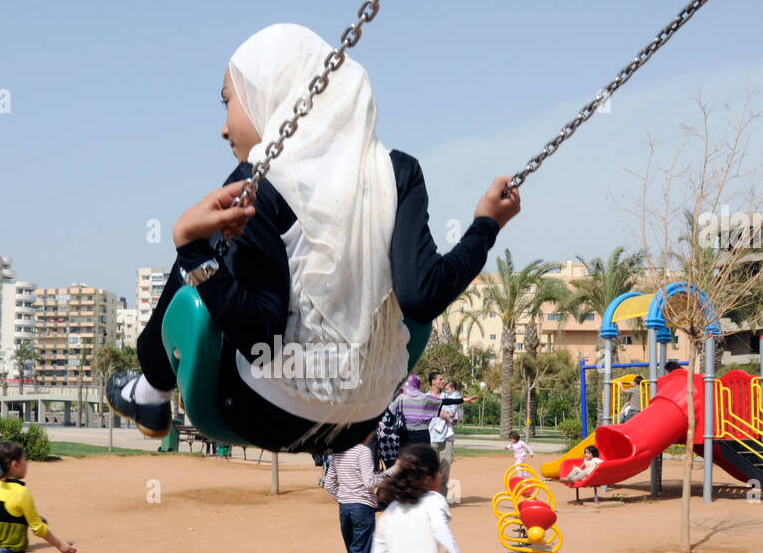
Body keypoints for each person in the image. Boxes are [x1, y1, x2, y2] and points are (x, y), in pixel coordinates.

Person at [107, 23, 520, 454]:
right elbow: (423, 295)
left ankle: (152, 390)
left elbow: (259, 334)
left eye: (228, 101)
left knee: (202, 231)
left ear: (272, 93)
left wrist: (191, 250)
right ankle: (151, 387)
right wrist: (485, 225)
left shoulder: (257, 181)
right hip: (365, 412)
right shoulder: (398, 172)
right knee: (397, 291)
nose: (224, 128)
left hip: (262, 409)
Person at [323, 432, 396, 553]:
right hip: (362, 510)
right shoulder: (362, 451)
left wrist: (345, 499)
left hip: (345, 509)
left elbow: (329, 484)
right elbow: (369, 482)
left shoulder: (339, 452)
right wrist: (391, 472)